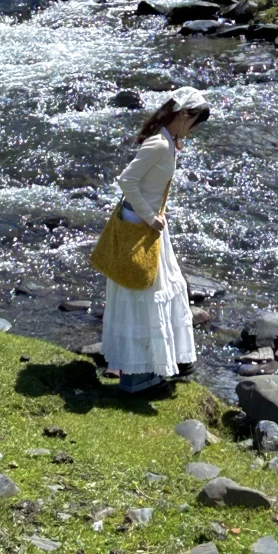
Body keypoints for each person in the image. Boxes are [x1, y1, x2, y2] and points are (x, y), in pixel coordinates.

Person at [102, 88, 210, 396]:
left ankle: (156, 365)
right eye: (193, 123)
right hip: (142, 226)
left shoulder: (168, 141)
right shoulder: (160, 144)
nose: (193, 130)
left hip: (149, 223)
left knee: (158, 288)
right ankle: (138, 377)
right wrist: (151, 217)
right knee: (144, 293)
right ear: (181, 115)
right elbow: (126, 181)